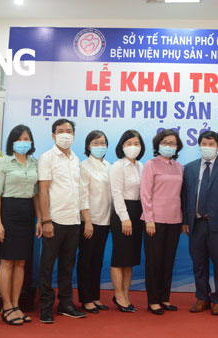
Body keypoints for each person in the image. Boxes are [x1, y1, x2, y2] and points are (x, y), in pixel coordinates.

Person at [182, 130, 218, 316]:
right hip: (196, 224)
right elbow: (185, 197)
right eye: (204, 144)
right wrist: (185, 220)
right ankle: (202, 297)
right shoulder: (189, 168)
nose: (207, 148)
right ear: (199, 146)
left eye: (211, 144)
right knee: (199, 263)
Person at [0, 125, 42, 325]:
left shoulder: (34, 163)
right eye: (19, 138)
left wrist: (39, 219)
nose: (23, 141)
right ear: (12, 141)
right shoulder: (3, 163)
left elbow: (37, 194)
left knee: (21, 262)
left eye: (27, 138)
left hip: (27, 213)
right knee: (7, 261)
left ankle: (16, 304)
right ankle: (6, 306)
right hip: (8, 212)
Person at [37, 119, 87, 323]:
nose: (65, 134)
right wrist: (46, 219)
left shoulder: (75, 159)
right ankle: (46, 307)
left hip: (73, 221)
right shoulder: (47, 157)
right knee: (47, 266)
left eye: (69, 131)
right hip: (54, 220)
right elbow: (43, 189)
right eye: (61, 131)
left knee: (67, 266)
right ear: (53, 135)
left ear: (74, 135)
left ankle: (66, 304)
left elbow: (79, 191)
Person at [140, 128, 184, 315]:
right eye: (165, 142)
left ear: (177, 147)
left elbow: (182, 195)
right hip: (154, 221)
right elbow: (145, 193)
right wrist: (149, 218)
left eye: (172, 143)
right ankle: (153, 301)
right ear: (158, 145)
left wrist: (182, 220)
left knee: (168, 261)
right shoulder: (150, 165)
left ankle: (164, 298)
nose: (169, 146)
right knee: (154, 262)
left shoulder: (179, 167)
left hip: (174, 221)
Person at [109, 130, 145, 312]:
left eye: (137, 143)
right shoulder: (117, 166)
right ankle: (118, 294)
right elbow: (116, 194)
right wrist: (125, 218)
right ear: (122, 146)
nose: (133, 147)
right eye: (129, 143)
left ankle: (125, 294)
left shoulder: (141, 166)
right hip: (122, 213)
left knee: (130, 258)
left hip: (138, 213)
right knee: (120, 257)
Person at [77, 130, 112, 314]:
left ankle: (95, 296)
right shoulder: (84, 166)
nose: (100, 146)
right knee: (86, 260)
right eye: (96, 143)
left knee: (97, 260)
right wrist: (87, 221)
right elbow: (82, 195)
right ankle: (86, 298)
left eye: (103, 142)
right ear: (88, 145)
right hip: (89, 221)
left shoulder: (108, 165)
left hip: (105, 221)